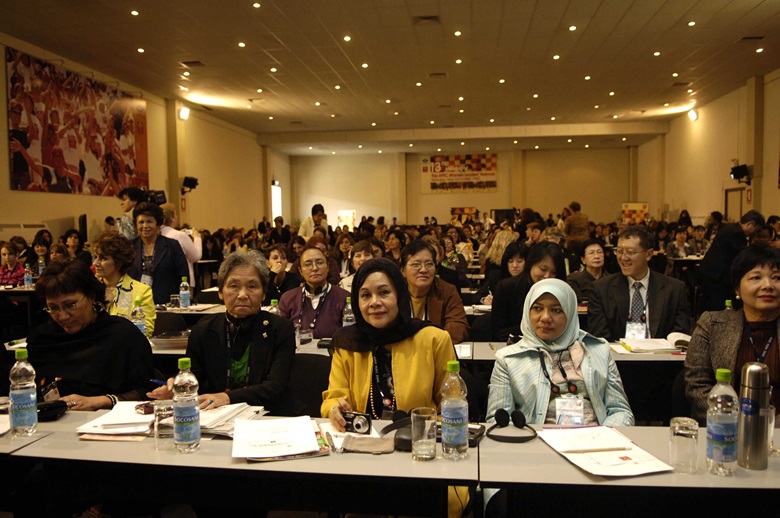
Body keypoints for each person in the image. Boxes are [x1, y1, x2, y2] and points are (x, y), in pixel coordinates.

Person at [321, 257, 467, 518]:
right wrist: (334, 408)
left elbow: (452, 404)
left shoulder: (433, 338)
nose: (374, 302)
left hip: (420, 453)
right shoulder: (346, 342)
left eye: (384, 293)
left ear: (400, 295)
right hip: (362, 453)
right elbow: (333, 396)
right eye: (365, 295)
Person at [148, 251, 296, 414]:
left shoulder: (280, 329)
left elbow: (275, 387)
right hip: (214, 416)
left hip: (269, 415)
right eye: (234, 286)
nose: (242, 295)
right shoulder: (203, 330)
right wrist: (177, 386)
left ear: (264, 294)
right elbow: (195, 377)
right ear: (220, 292)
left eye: (252, 287)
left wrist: (227, 398)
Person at [487, 278, 634, 425]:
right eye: (537, 308)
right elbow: (498, 420)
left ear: (570, 313)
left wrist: (606, 435)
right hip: (536, 437)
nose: (545, 318)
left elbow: (620, 411)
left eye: (556, 310)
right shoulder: (508, 359)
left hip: (597, 436)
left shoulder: (598, 350)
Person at [26, 259, 154, 410]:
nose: (63, 316)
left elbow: (147, 393)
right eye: (53, 308)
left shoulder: (122, 336)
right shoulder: (42, 339)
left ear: (92, 297)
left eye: (70, 305)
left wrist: (100, 401)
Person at [685, 245, 780, 423]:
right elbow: (697, 384)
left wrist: (771, 428)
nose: (768, 285)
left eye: (777, 278)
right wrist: (730, 423)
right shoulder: (712, 324)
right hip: (725, 430)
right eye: (756, 277)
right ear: (738, 288)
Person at [587, 225, 692, 343]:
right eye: (620, 251)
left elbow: (679, 336)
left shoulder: (674, 289)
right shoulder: (601, 289)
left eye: (630, 252)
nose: (623, 258)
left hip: (659, 353)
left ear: (648, 254)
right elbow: (599, 339)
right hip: (618, 354)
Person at [491, 242, 567, 342]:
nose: (547, 276)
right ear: (530, 264)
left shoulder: (563, 292)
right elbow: (498, 332)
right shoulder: (506, 288)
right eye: (543, 269)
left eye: (554, 272)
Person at [401, 240, 469, 344]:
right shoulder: (394, 292)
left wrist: (426, 342)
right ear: (403, 270)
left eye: (429, 264)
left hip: (434, 349)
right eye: (416, 264)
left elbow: (458, 327)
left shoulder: (447, 290)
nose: (423, 270)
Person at [697, 210, 765, 312]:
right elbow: (742, 256)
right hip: (717, 275)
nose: (754, 234)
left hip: (712, 272)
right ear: (749, 224)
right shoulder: (736, 233)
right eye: (756, 230)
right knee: (716, 305)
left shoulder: (731, 228)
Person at [278, 244, 350, 339]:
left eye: (319, 263)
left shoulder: (344, 297)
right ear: (300, 271)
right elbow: (280, 335)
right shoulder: (288, 298)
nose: (315, 268)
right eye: (308, 264)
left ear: (328, 267)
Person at [92, 231, 156, 336]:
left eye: (103, 258)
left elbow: (145, 331)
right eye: (95, 257)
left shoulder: (142, 291)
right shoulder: (89, 289)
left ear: (119, 262)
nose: (95, 263)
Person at [128, 202, 189, 305]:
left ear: (158, 224)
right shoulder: (129, 247)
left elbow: (183, 275)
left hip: (167, 304)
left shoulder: (172, 246)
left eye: (149, 222)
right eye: (141, 222)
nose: (145, 226)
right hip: (136, 304)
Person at [160, 202, 202, 283]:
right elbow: (196, 256)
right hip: (182, 279)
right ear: (172, 217)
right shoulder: (179, 235)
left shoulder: (156, 234)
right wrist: (197, 238)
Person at [475, 241, 528, 306]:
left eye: (519, 261)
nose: (514, 265)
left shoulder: (530, 280)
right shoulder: (496, 276)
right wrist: (483, 299)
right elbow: (476, 296)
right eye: (510, 261)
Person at [566, 239, 605, 303]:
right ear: (583, 259)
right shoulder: (574, 280)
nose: (596, 256)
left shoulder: (611, 279)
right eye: (591, 253)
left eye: (599, 252)